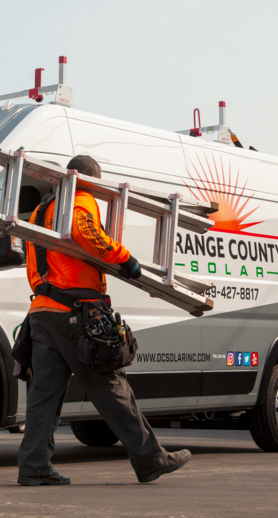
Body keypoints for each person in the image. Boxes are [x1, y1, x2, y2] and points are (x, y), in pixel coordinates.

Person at [16, 154, 191, 486]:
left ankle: (34, 465)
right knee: (111, 387)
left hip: (42, 312)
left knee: (44, 396)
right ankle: (151, 459)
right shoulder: (80, 199)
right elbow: (86, 232)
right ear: (89, 180)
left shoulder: (41, 210)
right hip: (74, 311)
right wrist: (125, 259)